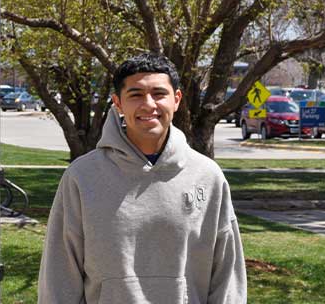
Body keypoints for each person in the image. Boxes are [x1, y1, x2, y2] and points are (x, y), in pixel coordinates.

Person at [38, 52, 246, 303]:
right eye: (136, 95)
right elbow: (59, 273)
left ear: (176, 99)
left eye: (159, 94)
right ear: (118, 103)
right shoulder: (82, 177)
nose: (149, 104)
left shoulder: (207, 176)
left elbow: (227, 274)